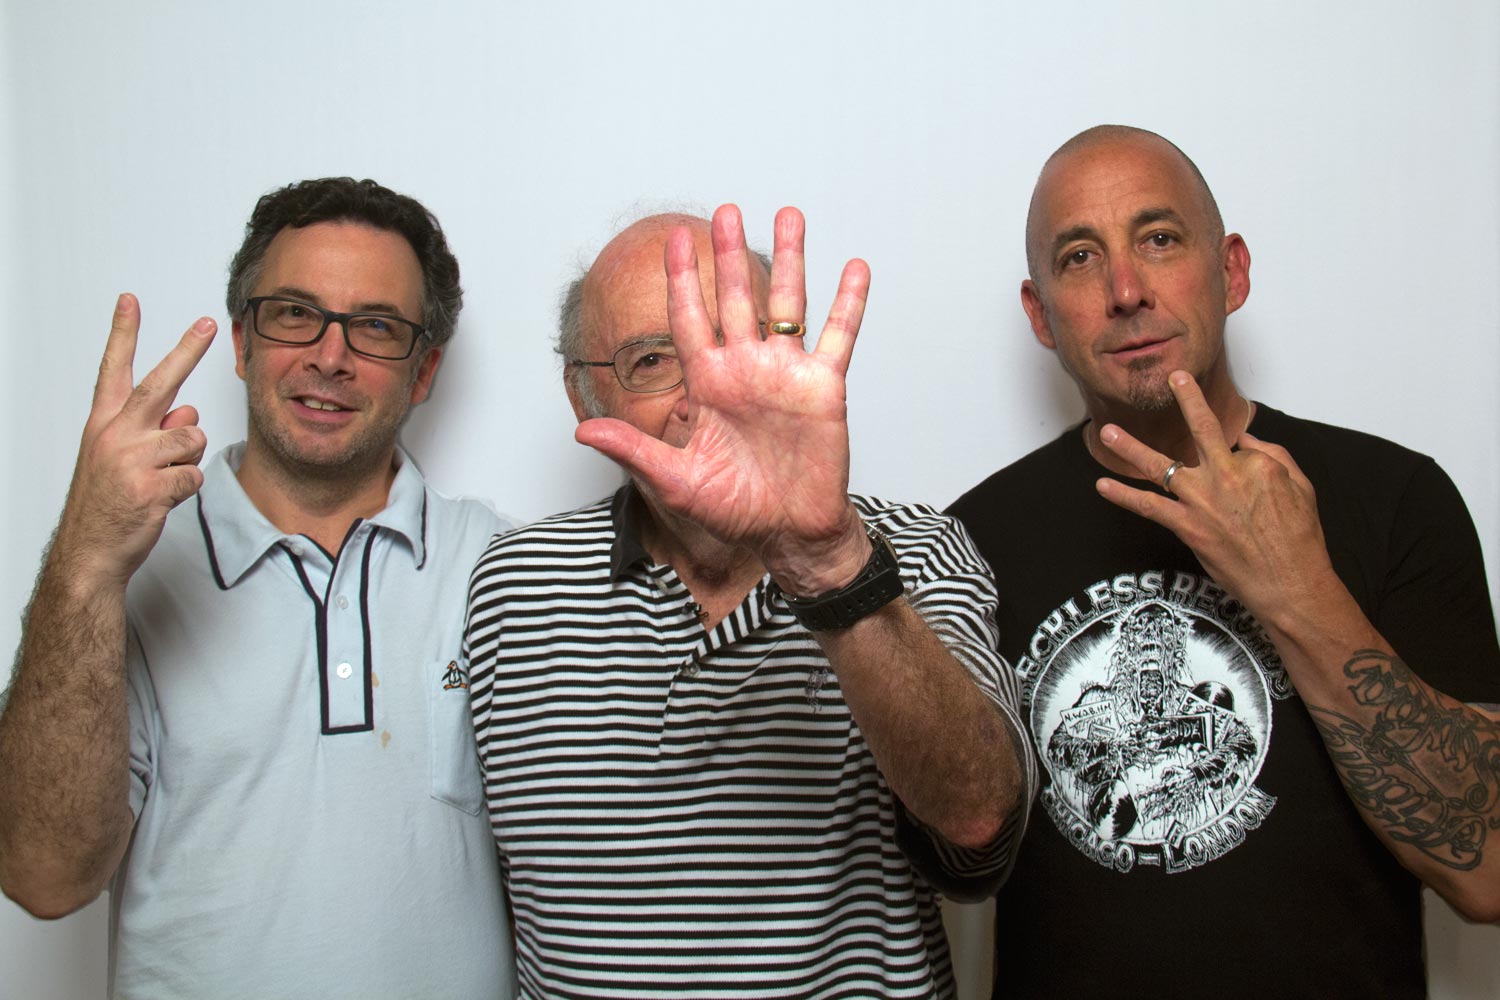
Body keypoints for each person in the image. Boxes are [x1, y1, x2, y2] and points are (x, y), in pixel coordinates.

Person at [948, 125, 1500, 998]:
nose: (1126, 291)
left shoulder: (1393, 497)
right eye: (1080, 258)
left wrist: (1296, 588)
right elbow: (955, 850)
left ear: (1232, 271)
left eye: (1159, 239)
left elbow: (1488, 869)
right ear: (1040, 314)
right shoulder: (972, 539)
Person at [463, 206, 1037, 998]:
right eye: (652, 358)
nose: (708, 395)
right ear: (585, 397)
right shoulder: (512, 584)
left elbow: (980, 831)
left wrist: (827, 565)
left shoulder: (917, 549)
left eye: (737, 344)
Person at [0, 178, 517, 998]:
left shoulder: (499, 566)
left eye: (375, 326)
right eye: (294, 313)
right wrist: (86, 561)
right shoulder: (132, 570)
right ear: (242, 342)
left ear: (423, 372)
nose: (330, 356)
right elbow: (43, 877)